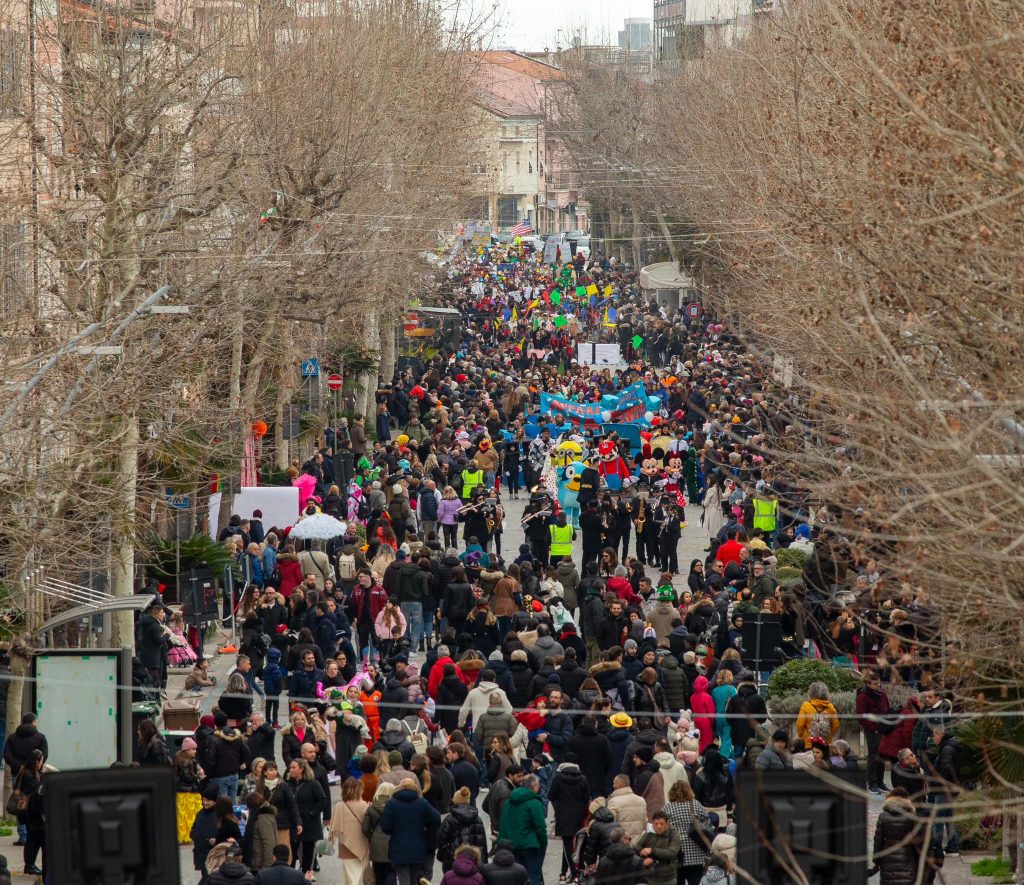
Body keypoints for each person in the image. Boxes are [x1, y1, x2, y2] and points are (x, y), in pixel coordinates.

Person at [380, 777, 442, 885]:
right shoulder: (422, 803)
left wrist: (394, 831)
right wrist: (425, 827)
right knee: (414, 878)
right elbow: (436, 818)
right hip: (418, 846)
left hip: (398, 847)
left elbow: (385, 826)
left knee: (403, 877)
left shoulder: (392, 804)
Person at [496, 773, 547, 885]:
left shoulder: (509, 801)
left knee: (517, 878)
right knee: (533, 877)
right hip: (531, 846)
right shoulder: (534, 802)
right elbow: (540, 828)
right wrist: (543, 845)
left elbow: (503, 823)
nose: (539, 788)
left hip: (512, 846)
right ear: (533, 787)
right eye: (538, 786)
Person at [548, 755, 591, 882]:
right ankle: (566, 871)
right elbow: (586, 798)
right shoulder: (583, 779)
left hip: (563, 815)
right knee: (576, 844)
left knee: (567, 844)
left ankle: (574, 873)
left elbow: (551, 795)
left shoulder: (558, 778)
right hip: (579, 815)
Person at [871, 788, 925, 884]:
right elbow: (919, 841)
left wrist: (876, 860)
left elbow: (878, 840)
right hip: (907, 858)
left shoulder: (883, 816)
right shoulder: (912, 817)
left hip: (888, 859)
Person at [286, 758, 328, 881]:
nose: (291, 770)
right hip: (293, 822)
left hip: (309, 823)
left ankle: (305, 874)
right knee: (292, 850)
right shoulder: (289, 783)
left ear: (301, 769)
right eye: (291, 767)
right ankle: (291, 874)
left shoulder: (313, 783)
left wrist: (312, 813)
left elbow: (322, 800)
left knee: (308, 851)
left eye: (294, 767)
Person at [856, 668, 893, 794]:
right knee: (874, 755)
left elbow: (887, 707)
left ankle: (880, 781)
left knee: (883, 754)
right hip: (873, 729)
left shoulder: (882, 694)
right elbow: (861, 716)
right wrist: (873, 728)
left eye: (879, 683)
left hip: (884, 727)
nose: (878, 686)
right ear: (868, 684)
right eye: (875, 684)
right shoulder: (863, 696)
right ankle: (872, 782)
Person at [328, 777, 370, 885]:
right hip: (363, 845)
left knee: (349, 876)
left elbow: (334, 828)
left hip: (345, 846)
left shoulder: (340, 806)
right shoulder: (365, 806)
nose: (363, 791)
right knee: (355, 877)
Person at [437, 786, 489, 871]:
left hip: (453, 859)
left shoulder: (450, 819)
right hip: (474, 861)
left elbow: (441, 840)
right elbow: (482, 842)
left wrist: (442, 856)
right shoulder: (478, 819)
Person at [633, 811, 680, 885]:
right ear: (652, 824)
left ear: (667, 824)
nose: (658, 826)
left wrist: (652, 850)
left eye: (661, 824)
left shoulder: (673, 836)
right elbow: (635, 851)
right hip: (650, 878)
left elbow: (672, 853)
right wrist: (643, 860)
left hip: (668, 879)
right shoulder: (647, 836)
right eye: (656, 824)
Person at [795, 681, 840, 748]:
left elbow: (800, 724)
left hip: (809, 744)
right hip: (825, 744)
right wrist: (828, 736)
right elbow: (836, 725)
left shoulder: (806, 705)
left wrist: (801, 736)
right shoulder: (830, 707)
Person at [242, 793, 279, 873]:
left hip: (260, 866)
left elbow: (268, 844)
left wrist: (266, 868)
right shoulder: (260, 816)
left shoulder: (263, 819)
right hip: (257, 864)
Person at [607, 773, 648, 842]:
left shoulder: (613, 802)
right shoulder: (641, 800)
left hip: (623, 844)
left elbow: (611, 827)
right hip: (639, 843)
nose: (613, 785)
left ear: (617, 785)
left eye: (614, 783)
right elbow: (645, 823)